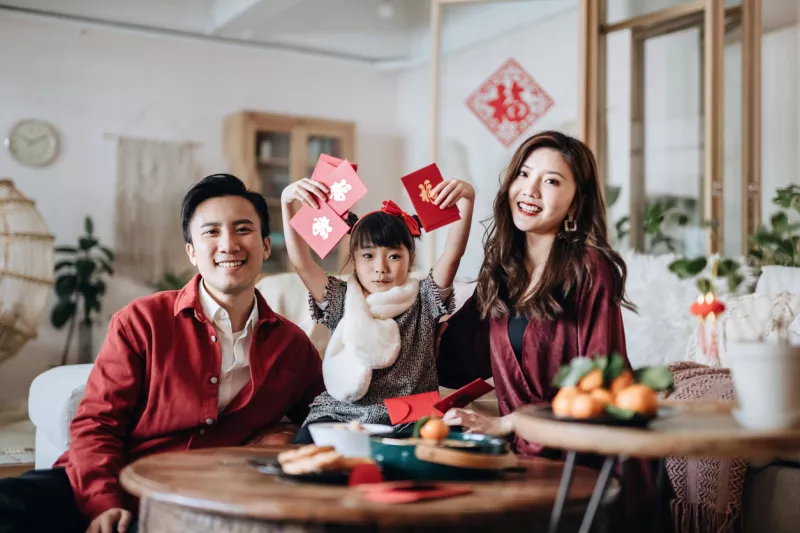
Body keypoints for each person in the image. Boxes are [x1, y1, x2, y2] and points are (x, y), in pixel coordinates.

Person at [0, 174, 325, 533]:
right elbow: (97, 424)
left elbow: (327, 418)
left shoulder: (292, 345)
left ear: (265, 246)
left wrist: (288, 438)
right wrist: (102, 504)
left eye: (243, 229)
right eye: (211, 232)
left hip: (197, 503)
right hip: (107, 483)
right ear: (191, 251)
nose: (229, 244)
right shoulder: (142, 321)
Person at [435, 131, 653, 521]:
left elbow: (601, 387)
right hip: (523, 459)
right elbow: (452, 359)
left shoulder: (590, 268)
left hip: (588, 461)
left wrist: (505, 423)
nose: (530, 189)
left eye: (551, 181)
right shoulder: (503, 269)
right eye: (523, 174)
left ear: (575, 203)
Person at [281, 174, 474, 442]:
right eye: (368, 256)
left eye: (394, 256)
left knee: (448, 446)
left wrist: (467, 200)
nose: (380, 268)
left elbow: (453, 256)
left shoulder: (425, 297)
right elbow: (302, 262)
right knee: (304, 447)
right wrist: (287, 203)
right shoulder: (340, 297)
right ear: (355, 261)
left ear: (410, 259)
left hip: (410, 415)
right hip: (343, 413)